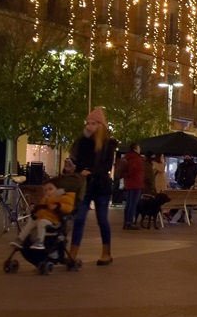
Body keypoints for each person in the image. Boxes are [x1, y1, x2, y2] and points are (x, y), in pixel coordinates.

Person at [69, 107, 119, 266]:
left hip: (101, 186)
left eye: (93, 123)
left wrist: (90, 171)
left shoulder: (108, 144)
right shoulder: (82, 142)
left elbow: (106, 166)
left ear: (100, 125)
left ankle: (106, 252)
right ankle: (73, 253)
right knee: (79, 218)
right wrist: (75, 169)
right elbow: (76, 160)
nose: (89, 126)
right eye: (87, 123)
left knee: (102, 220)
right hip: (85, 186)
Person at [11, 177, 76, 250]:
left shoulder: (64, 198)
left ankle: (40, 241)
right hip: (43, 217)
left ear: (58, 190)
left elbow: (68, 207)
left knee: (41, 222)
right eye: (45, 190)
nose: (48, 192)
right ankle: (20, 239)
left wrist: (58, 206)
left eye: (50, 189)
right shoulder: (46, 198)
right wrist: (35, 209)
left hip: (54, 220)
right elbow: (42, 207)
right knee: (31, 221)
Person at [122, 143, 145, 230]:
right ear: (135, 149)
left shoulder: (126, 157)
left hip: (128, 183)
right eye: (139, 147)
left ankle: (126, 221)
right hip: (136, 183)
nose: (140, 149)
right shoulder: (136, 158)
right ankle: (129, 222)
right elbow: (134, 169)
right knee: (133, 204)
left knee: (128, 203)